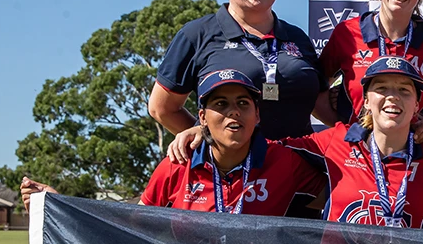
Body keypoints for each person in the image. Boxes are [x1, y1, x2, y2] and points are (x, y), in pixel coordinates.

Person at [23, 69, 326, 216]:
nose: (233, 111)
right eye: (220, 104)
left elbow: (336, 197)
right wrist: (60, 204)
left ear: (257, 115)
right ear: (202, 118)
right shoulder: (177, 164)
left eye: (243, 103)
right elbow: (131, 222)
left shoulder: (285, 161)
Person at [151, 0, 330, 160]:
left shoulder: (297, 38)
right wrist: (209, 140)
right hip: (231, 178)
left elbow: (323, 108)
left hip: (299, 174)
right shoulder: (197, 34)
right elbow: (162, 108)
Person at [284, 57, 423, 229]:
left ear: (416, 106)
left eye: (404, 90)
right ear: (366, 101)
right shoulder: (337, 139)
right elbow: (273, 151)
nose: (393, 96)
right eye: (381, 88)